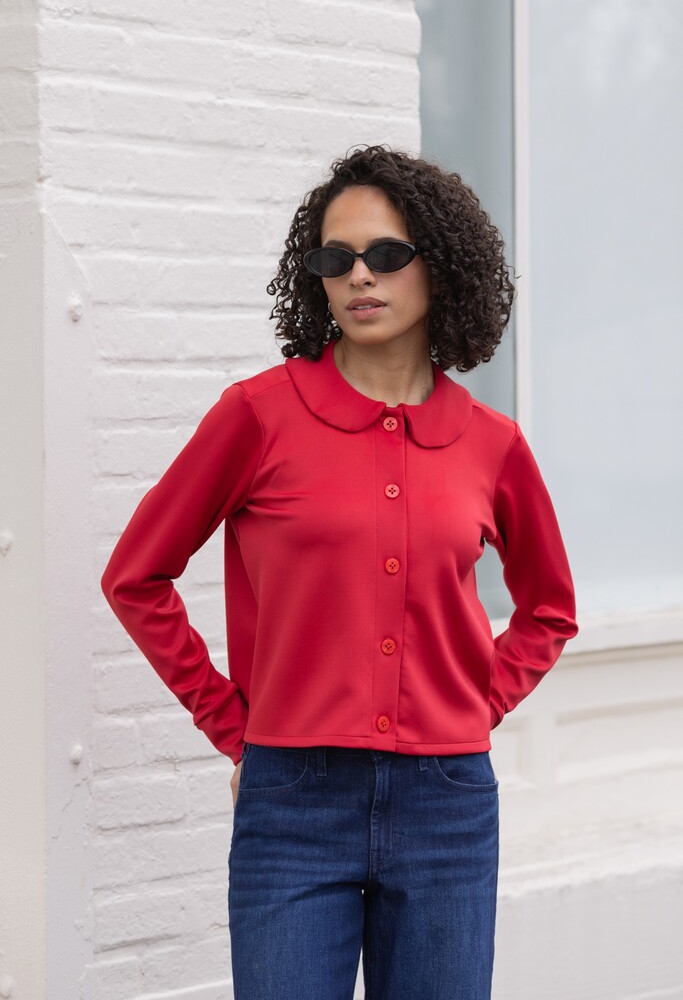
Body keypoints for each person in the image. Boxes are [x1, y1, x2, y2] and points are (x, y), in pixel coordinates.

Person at [101, 143, 578, 1000]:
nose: (360, 276)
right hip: (293, 798)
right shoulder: (257, 416)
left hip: (447, 802)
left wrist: (478, 699)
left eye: (387, 255)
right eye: (336, 258)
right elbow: (135, 576)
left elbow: (548, 609)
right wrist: (230, 723)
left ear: (441, 266)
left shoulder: (492, 444)